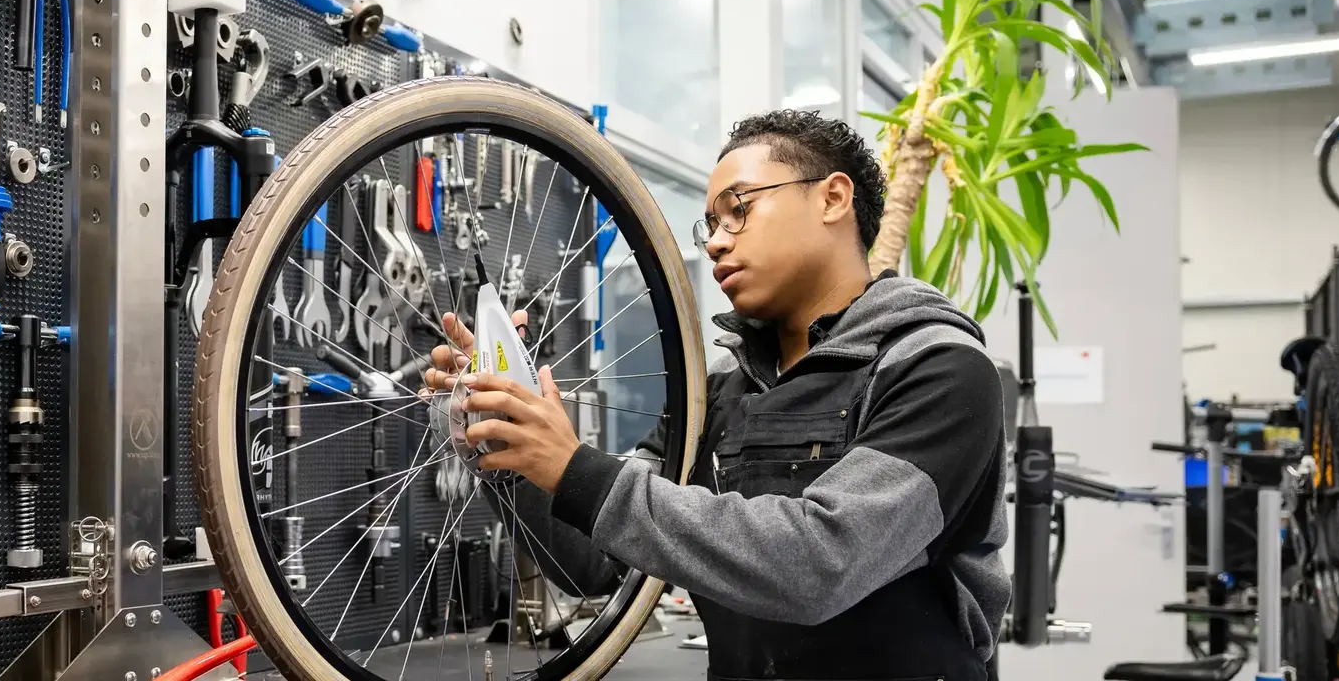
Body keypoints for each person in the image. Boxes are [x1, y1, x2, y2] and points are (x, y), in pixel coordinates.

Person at [425, 110, 1009, 680]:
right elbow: (590, 567)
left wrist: (577, 467)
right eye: (711, 225)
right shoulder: (715, 400)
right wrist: (507, 440)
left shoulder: (940, 370)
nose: (715, 244)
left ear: (833, 198)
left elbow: (823, 562)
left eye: (739, 210)